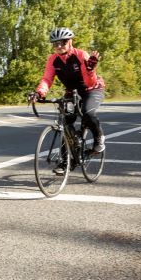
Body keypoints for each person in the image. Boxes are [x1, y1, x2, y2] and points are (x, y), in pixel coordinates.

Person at [30, 27, 106, 173]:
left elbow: (90, 83)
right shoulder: (53, 60)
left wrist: (90, 69)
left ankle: (99, 138)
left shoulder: (80, 55)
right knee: (66, 125)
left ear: (70, 41)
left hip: (92, 89)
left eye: (63, 42)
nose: (59, 46)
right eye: (55, 44)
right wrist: (39, 93)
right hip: (72, 92)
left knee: (88, 113)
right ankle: (66, 163)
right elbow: (47, 78)